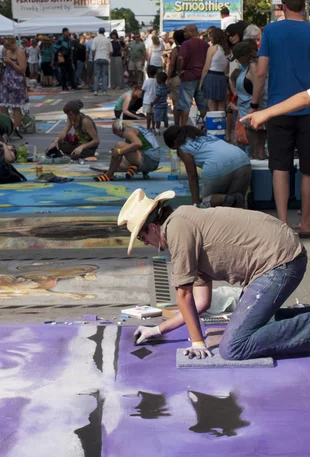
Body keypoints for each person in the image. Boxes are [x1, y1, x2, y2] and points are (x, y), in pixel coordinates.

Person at [118, 189, 309, 362]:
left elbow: (184, 295)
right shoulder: (182, 223)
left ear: (152, 228)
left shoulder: (177, 229)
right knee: (251, 324)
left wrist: (198, 342)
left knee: (234, 347)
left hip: (279, 261)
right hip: (276, 259)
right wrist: (157, 330)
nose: (144, 243)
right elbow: (201, 302)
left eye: (141, 238)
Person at [251, 0, 310, 235]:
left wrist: (256, 104)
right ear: (304, 6)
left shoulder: (272, 30)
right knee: (308, 168)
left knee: (280, 166)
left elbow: (262, 71)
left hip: (277, 108)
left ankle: (283, 223)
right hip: (308, 107)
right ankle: (307, 223)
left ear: (283, 7)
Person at [164, 125, 251, 207]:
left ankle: (224, 199)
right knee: (234, 202)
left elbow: (192, 177)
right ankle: (232, 200)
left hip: (217, 164)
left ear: (174, 142)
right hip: (242, 160)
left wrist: (195, 204)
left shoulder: (183, 146)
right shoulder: (204, 135)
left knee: (206, 202)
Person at [232, 41, 268, 159]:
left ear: (245, 56)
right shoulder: (251, 67)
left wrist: (254, 108)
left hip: (253, 112)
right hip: (249, 112)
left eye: (238, 58)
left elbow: (259, 89)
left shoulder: (253, 67)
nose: (238, 61)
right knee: (255, 151)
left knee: (257, 151)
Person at [94, 121, 161, 182]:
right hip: (153, 161)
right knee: (119, 162)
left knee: (119, 145)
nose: (119, 136)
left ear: (118, 130)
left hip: (148, 161)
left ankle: (109, 175)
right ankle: (133, 167)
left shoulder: (128, 132)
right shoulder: (136, 128)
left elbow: (138, 144)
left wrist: (120, 151)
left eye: (117, 134)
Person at [178, 25, 208, 125]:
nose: (184, 34)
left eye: (185, 32)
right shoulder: (205, 44)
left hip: (188, 76)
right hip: (202, 77)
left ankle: (183, 128)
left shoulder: (186, 44)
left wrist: (180, 70)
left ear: (191, 32)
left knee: (185, 105)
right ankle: (207, 127)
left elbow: (181, 58)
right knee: (203, 105)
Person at [0, 36, 28, 138]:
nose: (8, 48)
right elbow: (6, 66)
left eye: (9, 46)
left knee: (16, 106)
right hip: (7, 79)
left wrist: (10, 62)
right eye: (6, 46)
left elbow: (22, 69)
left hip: (17, 81)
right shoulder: (7, 51)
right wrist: (4, 61)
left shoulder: (20, 52)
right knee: (3, 105)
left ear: (13, 43)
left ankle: (16, 128)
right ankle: (7, 127)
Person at [200, 28, 230, 112]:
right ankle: (221, 124)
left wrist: (201, 82)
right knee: (221, 106)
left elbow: (206, 67)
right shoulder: (227, 50)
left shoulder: (212, 49)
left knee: (212, 106)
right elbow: (227, 68)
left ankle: (212, 124)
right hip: (222, 77)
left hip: (211, 76)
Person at [92, 27, 112, 96]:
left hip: (97, 57)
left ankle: (95, 91)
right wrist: (108, 57)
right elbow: (111, 51)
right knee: (104, 75)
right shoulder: (107, 40)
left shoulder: (95, 39)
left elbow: (93, 49)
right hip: (105, 58)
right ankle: (104, 91)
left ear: (98, 32)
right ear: (104, 32)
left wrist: (94, 56)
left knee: (96, 75)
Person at [141, 65, 157, 131]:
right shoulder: (156, 81)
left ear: (147, 72)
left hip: (147, 100)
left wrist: (142, 97)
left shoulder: (146, 81)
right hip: (154, 100)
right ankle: (153, 126)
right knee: (153, 115)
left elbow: (143, 90)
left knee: (148, 114)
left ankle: (148, 127)